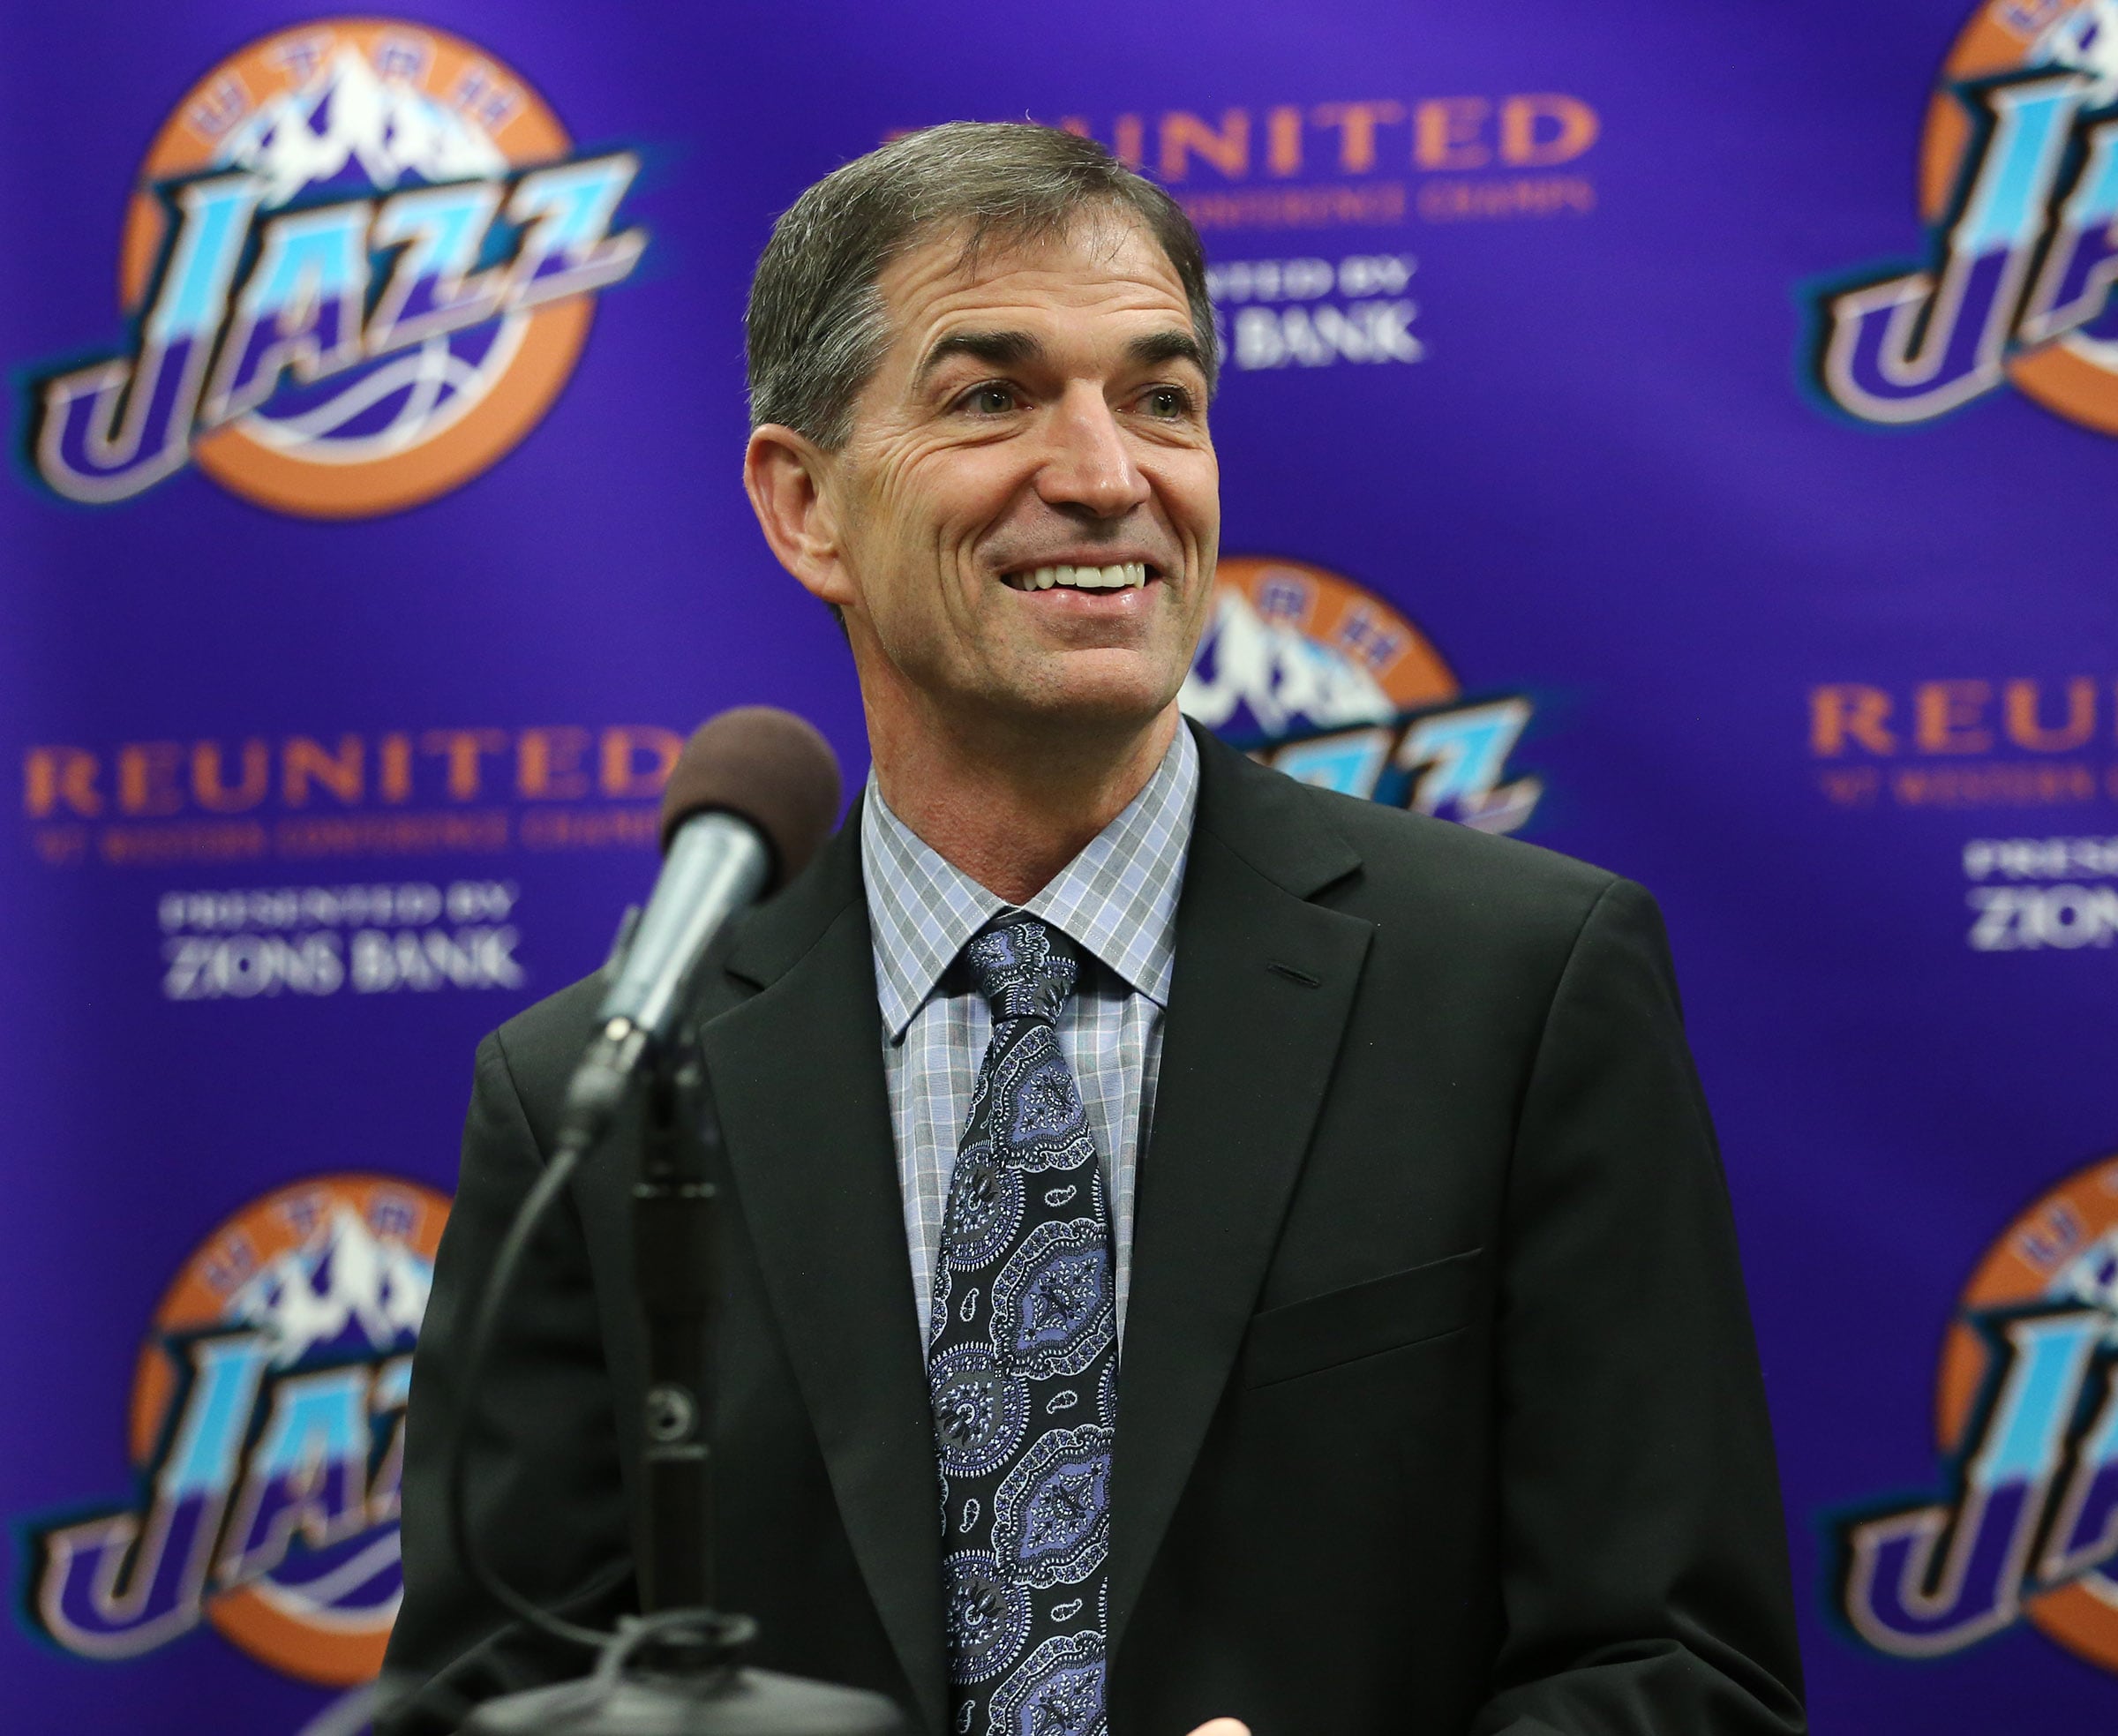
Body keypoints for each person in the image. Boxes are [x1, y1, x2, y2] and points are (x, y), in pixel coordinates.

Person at [379, 123, 1806, 1736]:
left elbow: (1690, 1679)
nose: (1107, 474)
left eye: (1162, 399)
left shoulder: (1521, 988)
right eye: (993, 397)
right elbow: (491, 1703)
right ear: (804, 507)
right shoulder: (600, 1090)